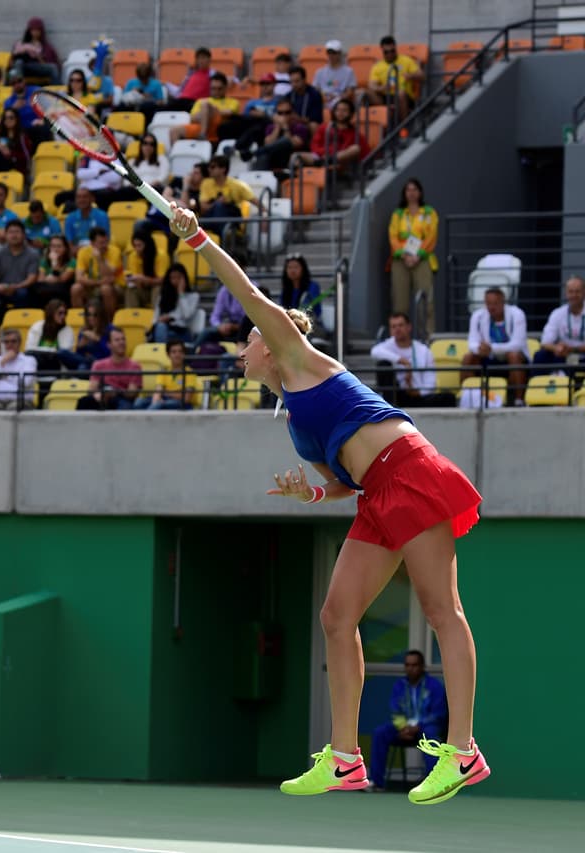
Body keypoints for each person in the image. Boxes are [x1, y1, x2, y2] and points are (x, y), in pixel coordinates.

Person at [168, 203, 488, 804]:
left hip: (412, 471)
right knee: (336, 618)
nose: (242, 347)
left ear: (271, 343)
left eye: (248, 339)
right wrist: (312, 491)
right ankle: (345, 759)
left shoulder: (296, 354)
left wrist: (198, 239)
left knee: (441, 608)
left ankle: (464, 752)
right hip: (375, 495)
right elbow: (345, 480)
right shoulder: (293, 419)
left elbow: (240, 285)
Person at [369, 651, 448, 791]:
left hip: (425, 727)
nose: (411, 668)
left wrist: (417, 727)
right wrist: (403, 728)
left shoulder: (434, 686)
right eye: (407, 665)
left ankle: (433, 785)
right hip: (404, 728)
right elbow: (395, 711)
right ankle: (377, 783)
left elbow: (438, 713)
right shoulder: (399, 686)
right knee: (380, 733)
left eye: (414, 665)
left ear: (422, 666)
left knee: (431, 736)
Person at [388, 178, 439, 334]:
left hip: (422, 259)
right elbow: (393, 236)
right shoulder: (398, 214)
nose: (411, 193)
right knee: (400, 303)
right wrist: (404, 255)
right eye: (408, 190)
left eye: (414, 189)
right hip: (401, 260)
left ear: (420, 192)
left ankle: (427, 337)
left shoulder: (429, 213)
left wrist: (418, 255)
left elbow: (431, 236)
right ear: (404, 193)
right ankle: (400, 338)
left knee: (425, 300)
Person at [371, 313, 455, 408]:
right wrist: (402, 361)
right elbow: (375, 351)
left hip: (417, 394)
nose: (397, 329)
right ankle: (390, 408)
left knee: (449, 397)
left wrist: (416, 392)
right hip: (397, 395)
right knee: (383, 365)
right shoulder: (387, 346)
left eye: (400, 325)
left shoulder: (423, 350)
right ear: (390, 331)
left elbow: (431, 382)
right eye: (393, 327)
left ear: (409, 327)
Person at [461, 287, 528, 405]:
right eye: (488, 303)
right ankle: (466, 398)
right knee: (468, 358)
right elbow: (472, 342)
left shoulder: (517, 314)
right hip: (488, 358)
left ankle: (518, 400)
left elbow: (517, 344)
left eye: (495, 303)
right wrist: (479, 349)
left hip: (510, 360)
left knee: (514, 356)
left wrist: (492, 348)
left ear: (503, 302)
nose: (491, 307)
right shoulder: (478, 316)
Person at [78, 328, 142, 410]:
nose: (121, 342)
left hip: (122, 399)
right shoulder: (99, 365)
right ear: (109, 344)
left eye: (123, 339)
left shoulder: (135, 366)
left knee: (124, 406)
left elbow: (132, 393)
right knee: (84, 401)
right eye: (117, 340)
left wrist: (115, 392)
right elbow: (91, 389)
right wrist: (100, 394)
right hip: (102, 397)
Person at [533, 275, 585, 376]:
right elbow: (544, 343)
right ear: (566, 293)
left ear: (584, 292)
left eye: (577, 291)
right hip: (563, 356)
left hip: (582, 356)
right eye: (571, 291)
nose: (574, 295)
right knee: (540, 356)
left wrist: (573, 349)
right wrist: (556, 348)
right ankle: (537, 388)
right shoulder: (558, 313)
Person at [368, 35, 423, 118]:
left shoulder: (406, 60)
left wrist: (411, 75)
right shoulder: (377, 66)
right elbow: (372, 85)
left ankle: (404, 126)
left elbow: (422, 76)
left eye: (392, 51)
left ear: (395, 48)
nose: (390, 54)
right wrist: (381, 88)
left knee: (400, 94)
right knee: (361, 93)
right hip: (385, 96)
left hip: (404, 95)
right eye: (386, 52)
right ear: (382, 50)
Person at [134, 339, 196, 410]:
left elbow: (186, 398)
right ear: (168, 355)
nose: (177, 354)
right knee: (138, 402)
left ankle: (145, 419)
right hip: (164, 398)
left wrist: (166, 393)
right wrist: (156, 399)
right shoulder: (164, 370)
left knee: (159, 405)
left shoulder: (189, 372)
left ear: (184, 354)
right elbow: (158, 389)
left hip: (181, 403)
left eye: (180, 351)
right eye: (174, 352)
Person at [0, 327, 38, 409]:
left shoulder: (29, 360)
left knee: (13, 408)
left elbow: (24, 382)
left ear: (19, 343)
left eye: (13, 341)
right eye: (6, 342)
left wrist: (4, 375)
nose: (10, 345)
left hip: (21, 400)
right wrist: (3, 362)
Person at [152, 263, 200, 344]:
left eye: (179, 278)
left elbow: (187, 315)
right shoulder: (163, 296)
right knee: (160, 327)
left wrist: (181, 294)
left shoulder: (194, 296)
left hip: (183, 332)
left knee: (166, 333)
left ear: (184, 278)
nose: (176, 281)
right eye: (173, 278)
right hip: (165, 330)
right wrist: (160, 320)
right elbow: (154, 320)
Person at [314, 40, 357, 111]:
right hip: (323, 102)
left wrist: (337, 98)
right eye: (329, 53)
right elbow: (315, 90)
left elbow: (350, 92)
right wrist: (323, 98)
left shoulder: (349, 72)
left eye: (334, 53)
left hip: (341, 103)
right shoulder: (319, 72)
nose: (331, 55)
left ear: (339, 54)